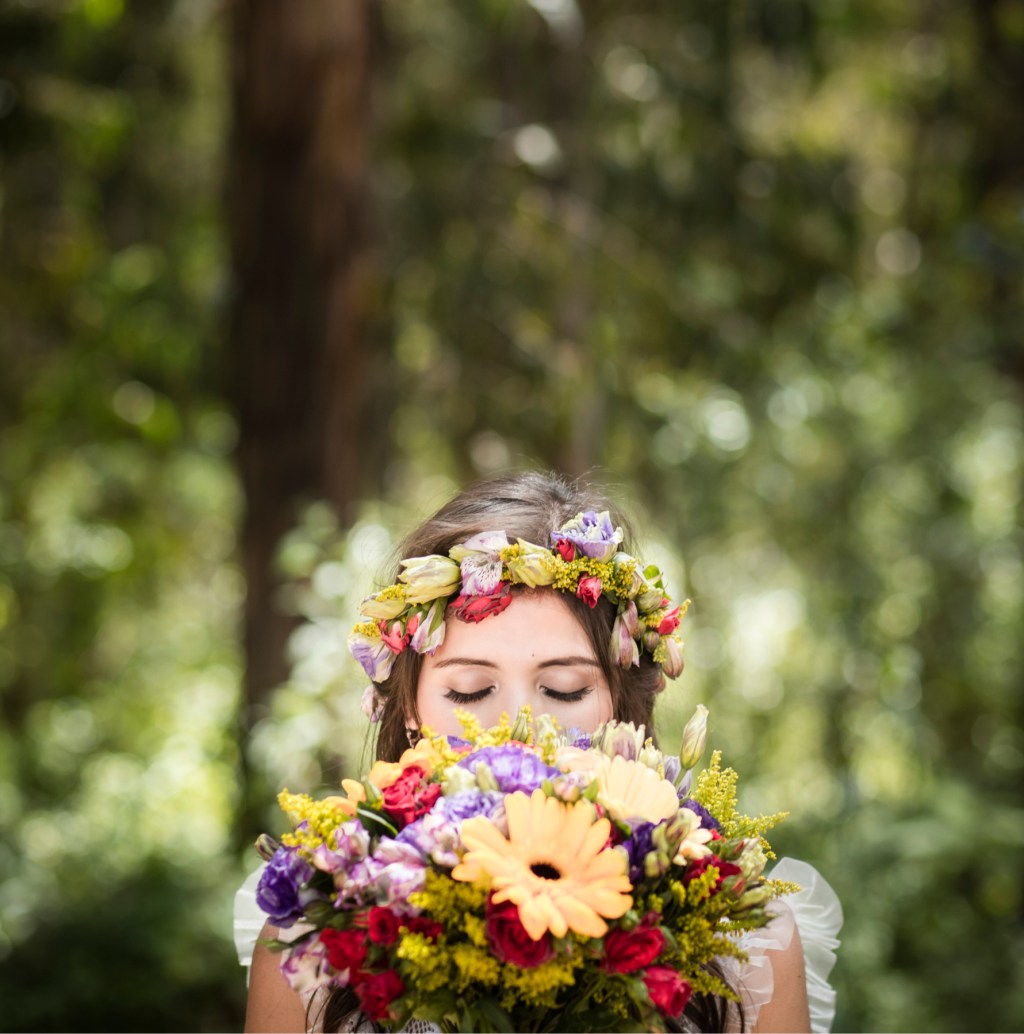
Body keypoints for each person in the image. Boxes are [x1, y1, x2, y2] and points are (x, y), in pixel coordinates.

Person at [237, 471, 842, 1032]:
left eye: (564, 689)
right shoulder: (316, 942)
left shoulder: (741, 945)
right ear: (413, 709)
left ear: (621, 706)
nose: (518, 729)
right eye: (471, 691)